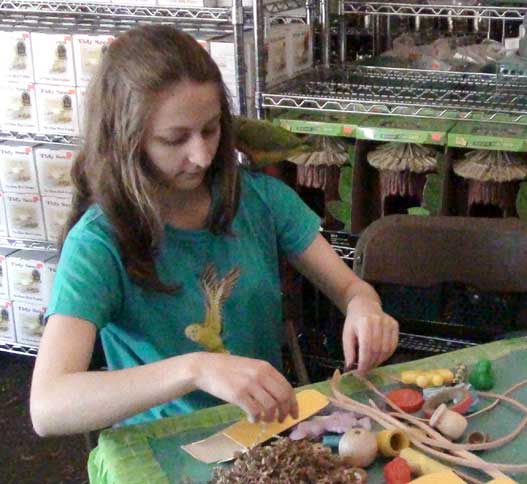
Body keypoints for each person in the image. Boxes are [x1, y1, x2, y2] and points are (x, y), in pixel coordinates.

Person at [29, 25, 399, 436]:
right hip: (166, 445)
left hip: (264, 432)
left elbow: (350, 289)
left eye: (210, 129)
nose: (202, 156)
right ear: (125, 142)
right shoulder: (99, 242)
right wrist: (195, 369)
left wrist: (365, 307)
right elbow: (48, 406)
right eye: (175, 139)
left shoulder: (258, 200)